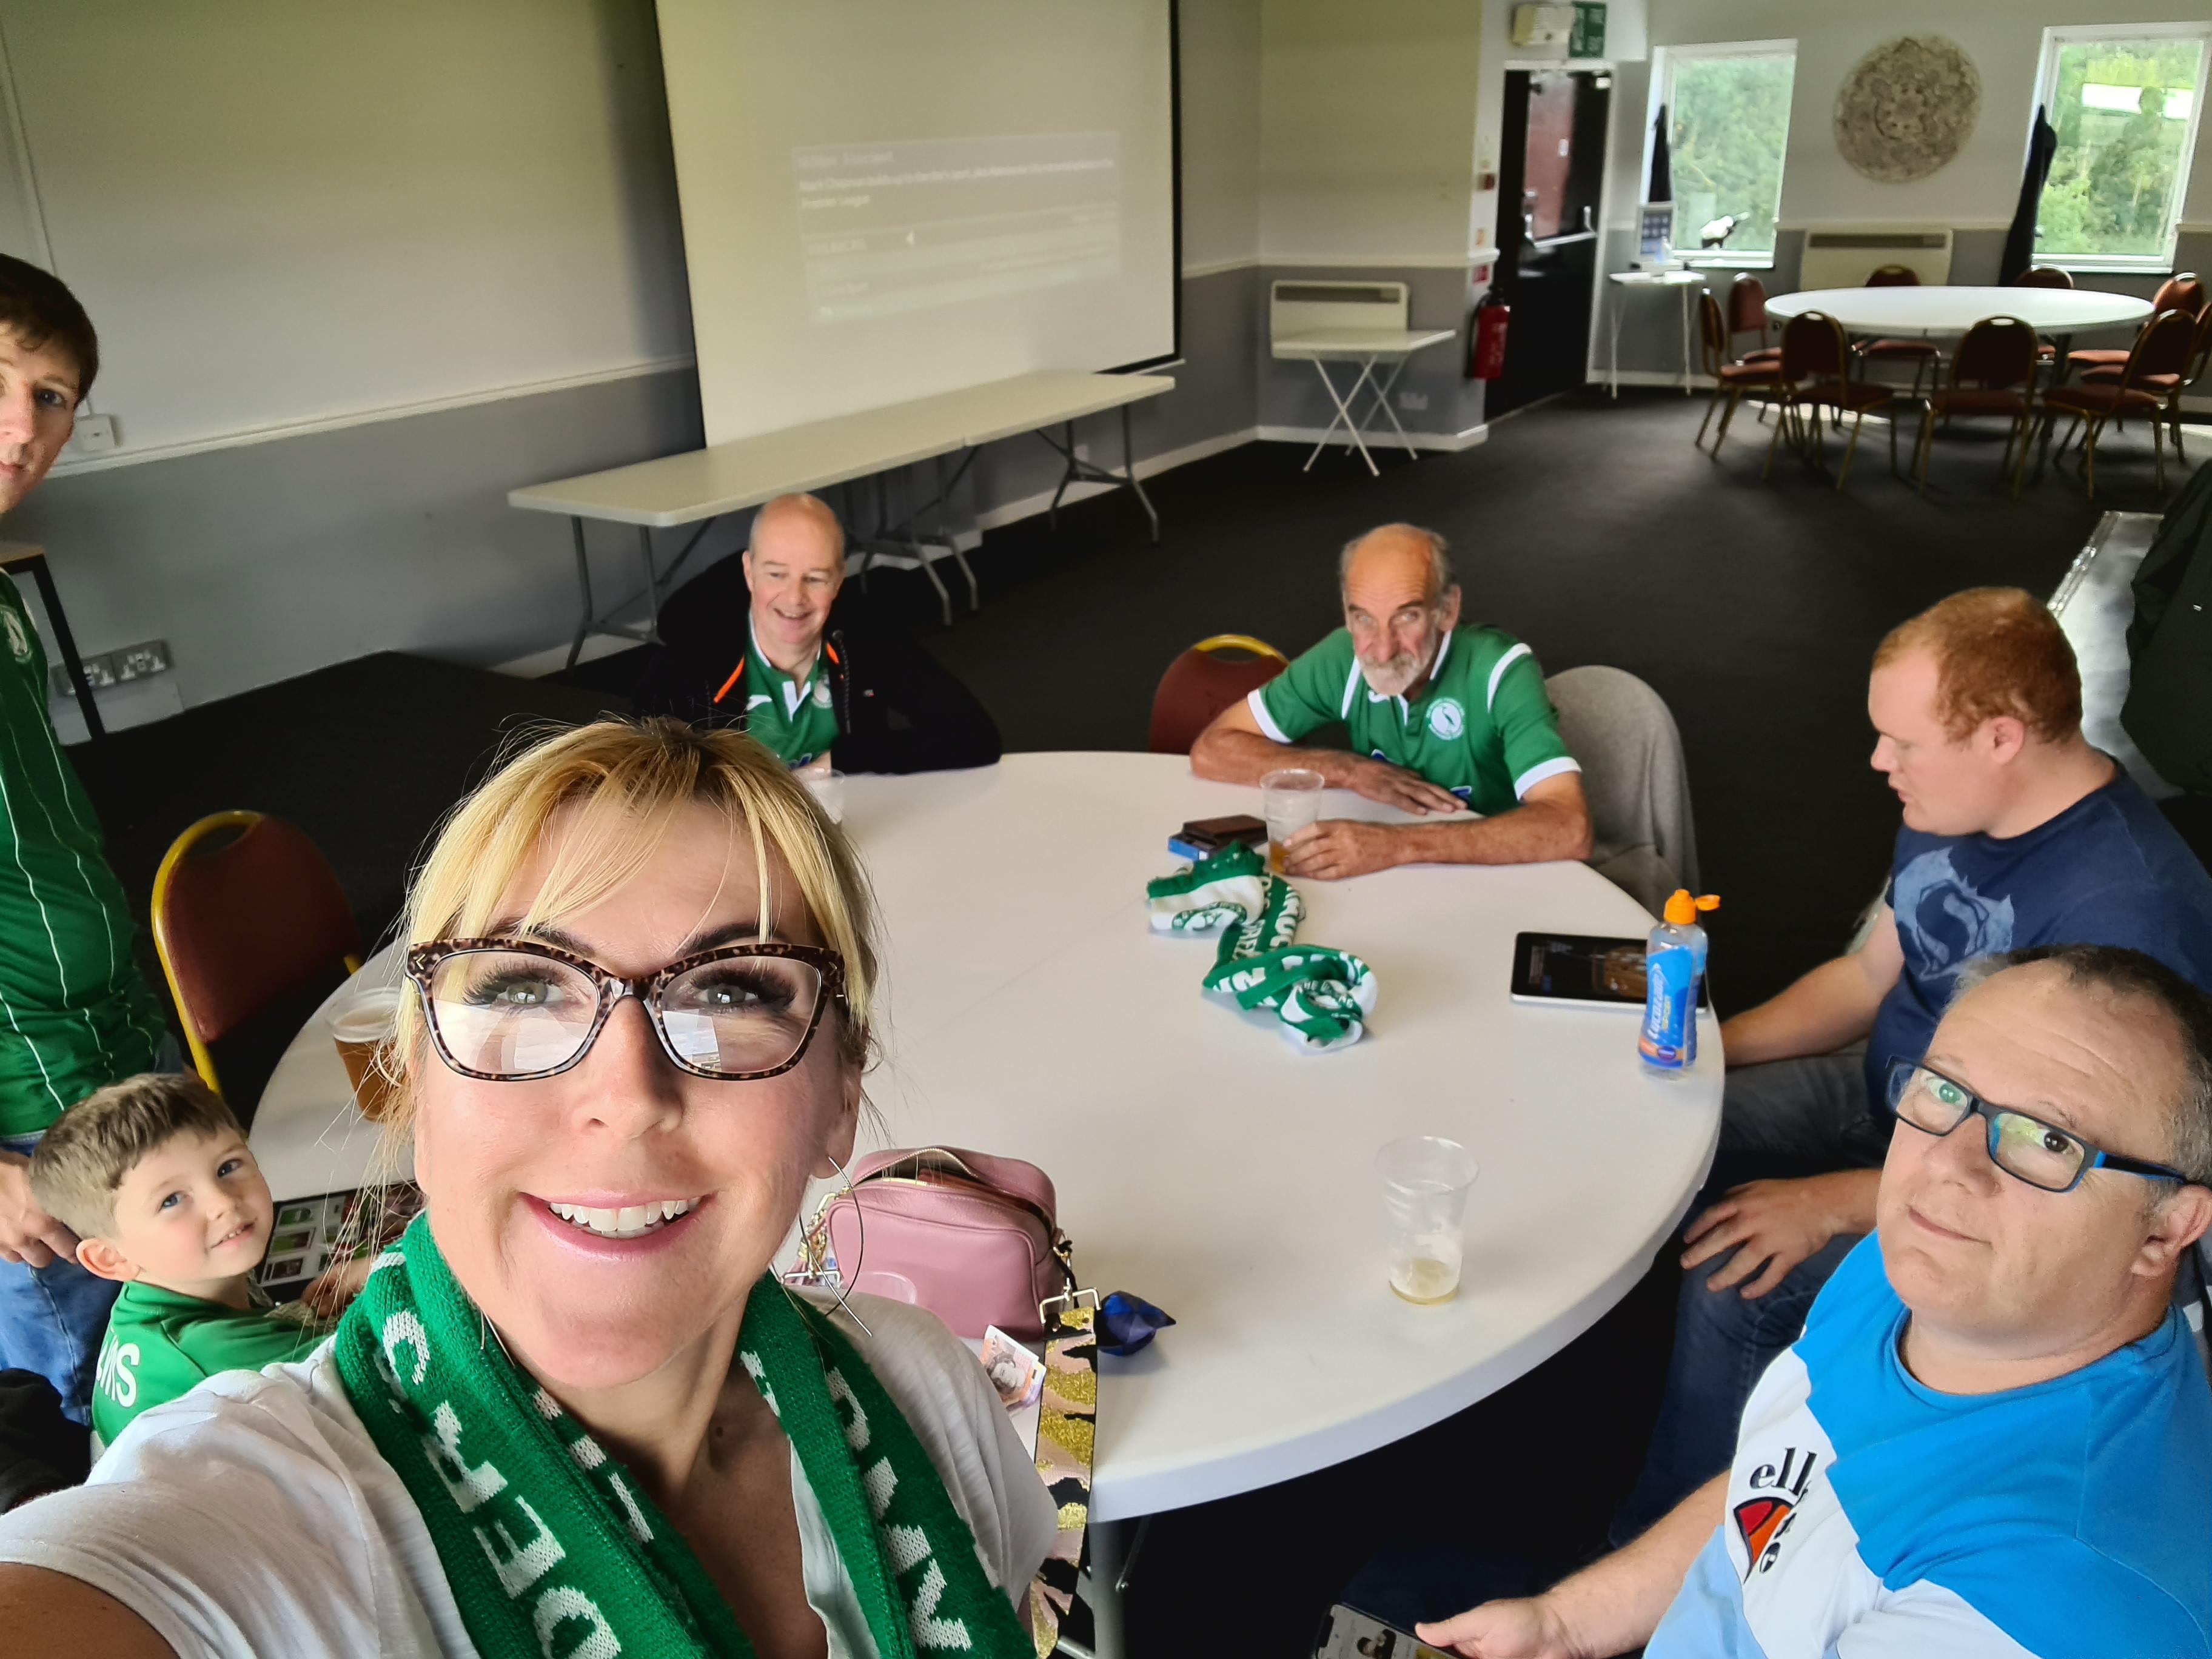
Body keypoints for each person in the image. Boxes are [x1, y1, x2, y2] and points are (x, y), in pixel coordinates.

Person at [0, 718, 1054, 1657]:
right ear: (415, 1081)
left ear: (839, 1097)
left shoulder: (925, 1390)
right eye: (522, 987)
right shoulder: (244, 1529)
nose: (625, 1097)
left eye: (732, 992)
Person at [1614, 586, 2212, 1539]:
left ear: (2003, 737)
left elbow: (2065, 1181)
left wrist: (1831, 1202)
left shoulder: (2130, 916)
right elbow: (1865, 980)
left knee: (1736, 1281)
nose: (1879, 762)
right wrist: (1705, 1050)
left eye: (1903, 742)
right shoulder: (1951, 804)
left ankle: (1664, 1547)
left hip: (2000, 1183)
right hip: (1894, 1097)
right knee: (1667, 1112)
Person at [1414, 945, 2212, 1658]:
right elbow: (1779, 1495)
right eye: (1946, 1091)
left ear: (2167, 1229)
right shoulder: (1912, 1277)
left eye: (2050, 1140)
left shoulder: (2051, 1596)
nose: (1948, 1165)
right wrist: (1566, 1626)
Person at [0, 255, 172, 1426]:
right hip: (26, 1111)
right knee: (95, 1417)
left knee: (169, 1341)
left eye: (51, 397)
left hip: (106, 1037)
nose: (23, 427)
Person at [1190, 523, 1590, 879]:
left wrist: (1396, 845)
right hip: (1400, 878)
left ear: (1447, 610)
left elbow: (1571, 828)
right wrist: (1348, 770)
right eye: (1364, 618)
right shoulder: (1340, 657)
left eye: (1407, 616)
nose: (1382, 650)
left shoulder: (1500, 669)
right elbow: (1212, 750)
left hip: (1505, 874)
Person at [29, 1073, 365, 1451]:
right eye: (171, 1200)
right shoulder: (215, 1356)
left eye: (227, 1167)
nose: (223, 1202)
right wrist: (382, 1269)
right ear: (111, 1259)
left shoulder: (155, 1298)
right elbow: (393, 1365)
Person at [643, 491, 1002, 774]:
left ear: (838, 580)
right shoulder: (690, 660)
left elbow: (974, 736)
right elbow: (653, 781)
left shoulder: (866, 635)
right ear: (749, 573)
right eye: (776, 575)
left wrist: (839, 761)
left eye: (815, 579)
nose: (795, 599)